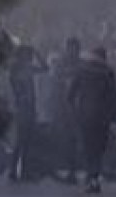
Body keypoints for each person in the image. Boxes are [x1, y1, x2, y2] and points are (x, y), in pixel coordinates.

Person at [69, 47, 116, 193]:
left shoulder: (81, 70)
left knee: (88, 147)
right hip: (102, 117)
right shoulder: (107, 72)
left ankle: (91, 176)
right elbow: (114, 94)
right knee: (99, 148)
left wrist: (75, 110)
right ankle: (94, 177)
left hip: (85, 115)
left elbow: (71, 94)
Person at [8, 45, 47, 182]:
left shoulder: (27, 68)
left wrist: (37, 53)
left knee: (27, 141)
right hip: (22, 108)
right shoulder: (17, 69)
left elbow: (45, 68)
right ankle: (15, 171)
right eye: (28, 54)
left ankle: (22, 171)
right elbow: (17, 87)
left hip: (29, 107)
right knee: (22, 140)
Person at [49, 37, 83, 184]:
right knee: (62, 139)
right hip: (63, 107)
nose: (72, 51)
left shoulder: (81, 65)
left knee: (73, 140)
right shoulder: (61, 64)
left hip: (77, 108)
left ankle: (72, 171)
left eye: (74, 48)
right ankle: (66, 169)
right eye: (70, 48)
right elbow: (55, 85)